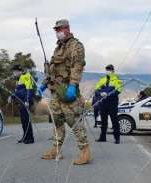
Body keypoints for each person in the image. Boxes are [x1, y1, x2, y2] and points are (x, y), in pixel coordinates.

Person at [38, 19, 91, 165]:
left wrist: (73, 85)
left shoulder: (76, 46)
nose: (57, 32)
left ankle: (84, 151)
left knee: (73, 121)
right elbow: (53, 70)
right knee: (57, 121)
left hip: (68, 90)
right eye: (56, 30)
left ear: (67, 28)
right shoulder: (58, 48)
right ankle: (56, 149)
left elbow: (77, 66)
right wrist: (43, 85)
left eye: (59, 29)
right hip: (56, 91)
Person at [95, 64, 122, 144]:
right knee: (103, 121)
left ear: (113, 70)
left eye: (109, 69)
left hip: (112, 103)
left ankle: (117, 138)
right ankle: (102, 137)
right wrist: (100, 93)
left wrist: (108, 93)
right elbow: (96, 89)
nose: (108, 71)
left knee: (114, 120)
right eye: (107, 69)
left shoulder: (117, 80)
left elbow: (118, 90)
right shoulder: (102, 79)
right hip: (103, 103)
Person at [8, 64, 35, 144]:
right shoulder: (18, 79)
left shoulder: (26, 76)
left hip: (26, 102)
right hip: (21, 102)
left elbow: (29, 89)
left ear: (19, 71)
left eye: (15, 71)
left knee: (26, 120)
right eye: (13, 72)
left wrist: (27, 100)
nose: (14, 73)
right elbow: (17, 91)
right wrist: (11, 97)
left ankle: (30, 138)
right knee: (23, 120)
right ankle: (25, 136)